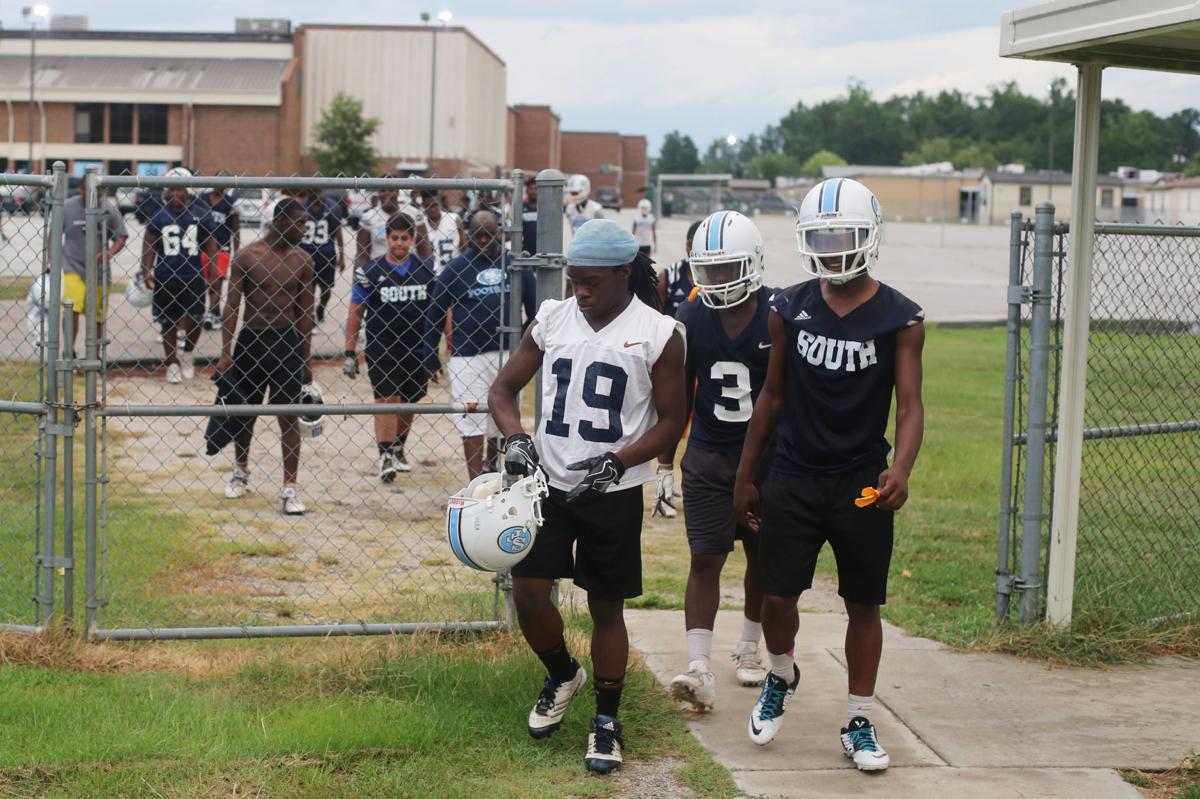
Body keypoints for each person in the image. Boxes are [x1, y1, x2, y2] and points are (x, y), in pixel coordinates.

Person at [733, 179, 925, 772]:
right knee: (775, 594)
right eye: (823, 238)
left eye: (844, 236)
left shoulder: (901, 317)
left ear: (869, 236)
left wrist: (902, 467)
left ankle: (859, 717)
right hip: (792, 471)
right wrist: (745, 476)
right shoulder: (787, 306)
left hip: (861, 480)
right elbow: (770, 396)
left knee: (863, 604)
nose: (834, 249)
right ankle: (782, 672)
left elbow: (912, 405)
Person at [488, 218, 687, 774]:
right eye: (574, 280)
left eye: (592, 281)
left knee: (605, 606)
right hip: (548, 484)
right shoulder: (552, 317)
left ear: (625, 273)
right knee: (528, 593)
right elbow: (503, 390)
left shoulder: (660, 331)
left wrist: (619, 459)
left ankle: (606, 720)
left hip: (613, 489)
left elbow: (674, 420)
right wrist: (517, 440)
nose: (580, 291)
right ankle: (561, 674)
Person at [660, 210, 772, 713]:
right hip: (708, 453)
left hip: (769, 458)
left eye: (729, 267)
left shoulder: (778, 313)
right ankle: (699, 664)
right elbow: (680, 394)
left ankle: (750, 643)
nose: (719, 278)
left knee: (762, 555)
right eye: (710, 268)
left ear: (752, 263)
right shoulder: (692, 316)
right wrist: (666, 464)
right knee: (706, 556)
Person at [214, 198, 315, 515]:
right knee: (245, 412)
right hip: (252, 340)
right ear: (281, 222)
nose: (305, 230)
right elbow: (232, 306)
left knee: (288, 416)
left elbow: (305, 313)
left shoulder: (303, 260)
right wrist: (225, 351)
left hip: (287, 342)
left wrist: (306, 358)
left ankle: (289, 487)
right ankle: (241, 470)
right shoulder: (248, 256)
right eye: (300, 224)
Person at [421, 211, 535, 479]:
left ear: (500, 233)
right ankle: (476, 481)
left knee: (502, 414)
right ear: (468, 235)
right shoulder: (456, 268)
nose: (483, 239)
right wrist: (429, 353)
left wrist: (525, 347)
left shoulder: (514, 264)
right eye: (478, 234)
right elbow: (435, 312)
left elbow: (535, 310)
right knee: (470, 414)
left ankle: (492, 466)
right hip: (467, 355)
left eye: (489, 234)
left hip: (509, 354)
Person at [343, 213, 435, 481]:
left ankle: (398, 447)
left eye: (404, 238)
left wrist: (442, 346)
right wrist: (350, 350)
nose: (398, 243)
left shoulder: (426, 270)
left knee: (409, 400)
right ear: (386, 237)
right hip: (382, 345)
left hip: (417, 346)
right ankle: (385, 455)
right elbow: (355, 311)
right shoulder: (370, 272)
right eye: (394, 237)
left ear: (411, 239)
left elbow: (440, 310)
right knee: (387, 398)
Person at [141, 167, 218, 384]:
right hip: (166, 276)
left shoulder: (201, 214)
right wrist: (146, 270)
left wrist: (213, 272)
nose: (176, 194)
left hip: (193, 275)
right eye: (172, 190)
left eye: (180, 190)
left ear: (189, 191)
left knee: (195, 318)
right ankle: (172, 362)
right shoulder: (160, 216)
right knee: (168, 321)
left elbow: (211, 246)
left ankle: (187, 354)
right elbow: (149, 245)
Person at [61, 177, 127, 349]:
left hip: (99, 271)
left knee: (97, 316)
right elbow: (53, 234)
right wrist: (50, 262)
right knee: (71, 309)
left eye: (95, 191)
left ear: (101, 192)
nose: (89, 194)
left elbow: (122, 235)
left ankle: (93, 357)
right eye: (85, 189)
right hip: (73, 267)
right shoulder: (68, 207)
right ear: (80, 188)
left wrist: (109, 253)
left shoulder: (108, 210)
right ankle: (69, 352)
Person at [295, 187, 345, 323]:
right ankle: (309, 314)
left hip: (326, 252)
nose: (315, 194)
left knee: (326, 288)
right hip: (305, 251)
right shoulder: (301, 206)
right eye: (312, 191)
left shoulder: (333, 207)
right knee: (308, 286)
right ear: (308, 192)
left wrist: (342, 255)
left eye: (318, 191)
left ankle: (321, 307)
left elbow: (338, 231)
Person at [201, 187, 240, 330]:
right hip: (202, 247)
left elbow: (236, 230)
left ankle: (211, 314)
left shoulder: (230, 204)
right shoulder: (203, 199)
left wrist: (237, 252)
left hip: (222, 248)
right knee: (201, 282)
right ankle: (206, 312)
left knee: (216, 281)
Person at [657, 220, 701, 319]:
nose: (697, 251)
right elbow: (654, 322)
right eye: (692, 245)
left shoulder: (720, 279)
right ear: (687, 246)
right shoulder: (667, 278)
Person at [355, 186, 405, 268]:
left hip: (408, 271)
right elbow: (362, 254)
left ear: (398, 192)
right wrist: (358, 277)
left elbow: (423, 250)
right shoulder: (368, 217)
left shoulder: (411, 213)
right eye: (383, 190)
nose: (387, 193)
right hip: (379, 270)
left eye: (391, 190)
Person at [419, 189, 466, 274]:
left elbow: (464, 248)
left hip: (454, 270)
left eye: (434, 205)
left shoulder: (454, 219)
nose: (432, 209)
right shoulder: (421, 225)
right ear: (423, 206)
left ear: (440, 203)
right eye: (428, 206)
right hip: (431, 272)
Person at [520, 176, 539, 254]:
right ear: (527, 190)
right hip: (526, 251)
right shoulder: (521, 207)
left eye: (536, 189)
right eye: (531, 189)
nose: (534, 191)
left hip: (543, 251)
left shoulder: (545, 208)